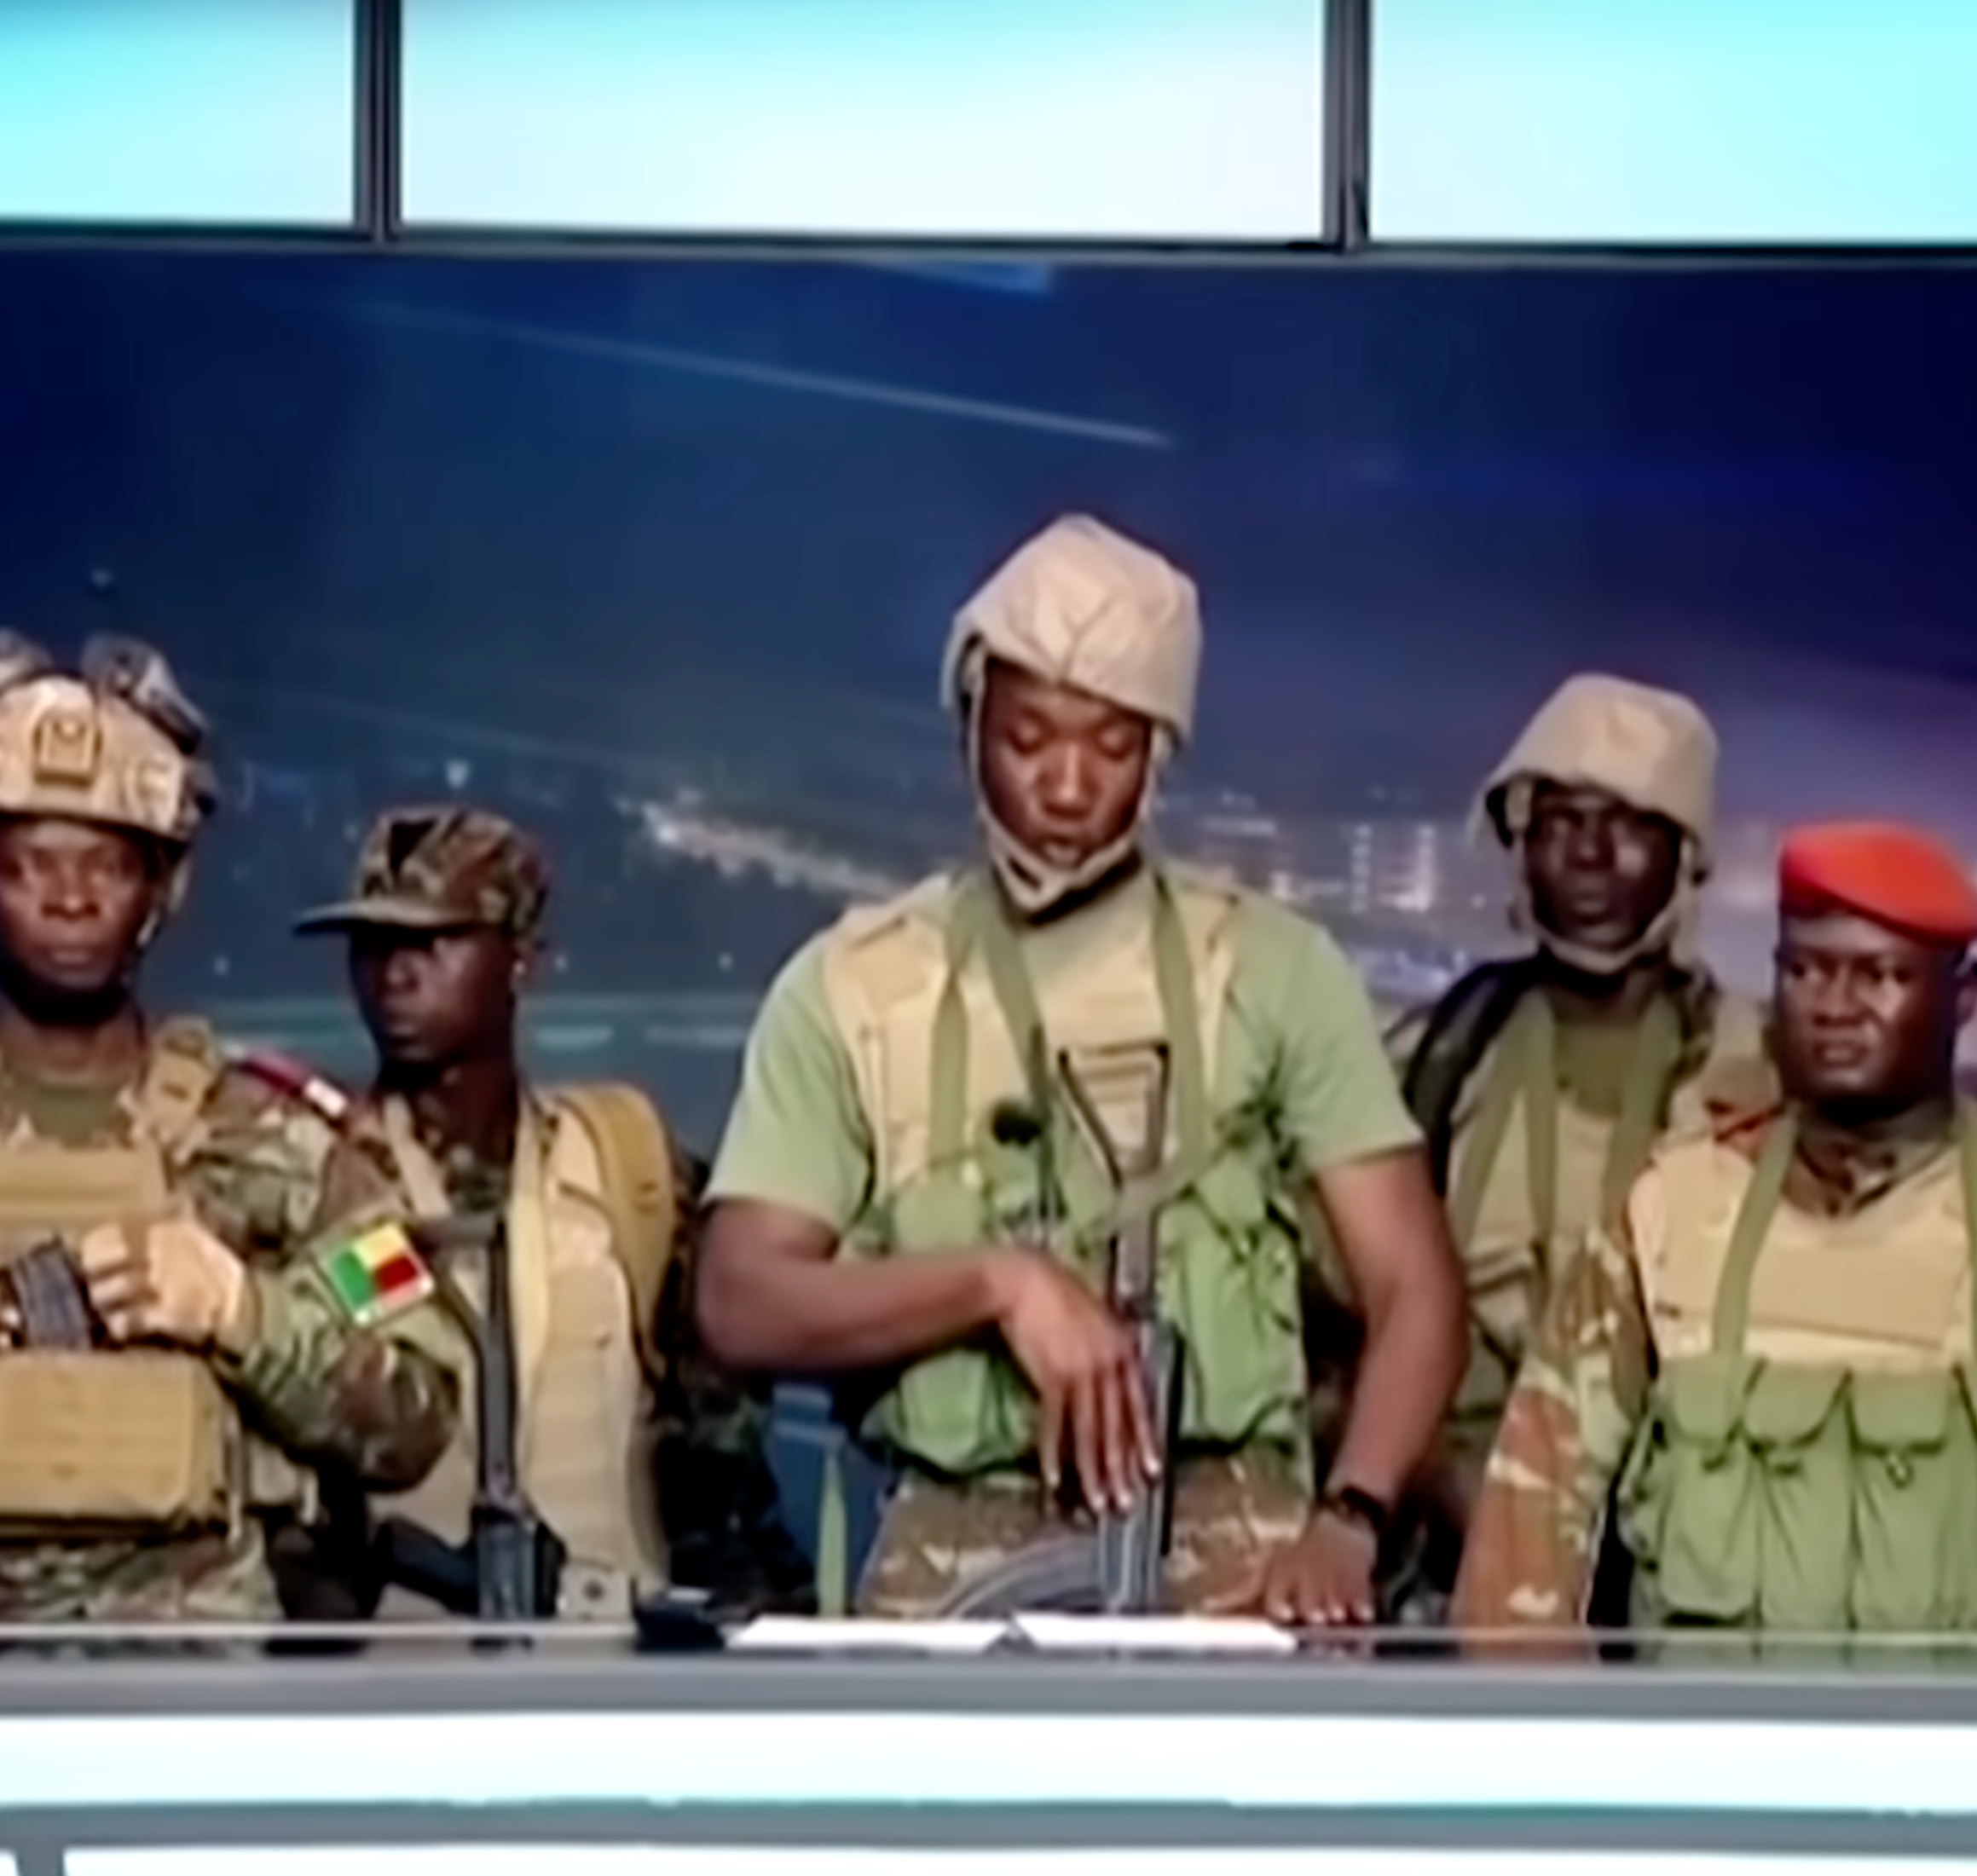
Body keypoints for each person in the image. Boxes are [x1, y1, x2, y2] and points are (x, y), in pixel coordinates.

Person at [699, 514, 1464, 1621]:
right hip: (950, 1538)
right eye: (1028, 739)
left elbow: (1415, 1288)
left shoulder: (1271, 970)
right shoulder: (852, 989)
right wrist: (996, 1283)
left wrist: (1350, 1519)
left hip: (1233, 1539)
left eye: (1110, 748)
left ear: (1158, 754)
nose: (1065, 787)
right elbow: (740, 1301)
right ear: (971, 726)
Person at [1451, 820, 1977, 1648]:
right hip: (1709, 1727)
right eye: (1805, 971)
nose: (1834, 1007)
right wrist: (1551, 1724)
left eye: (1880, 976)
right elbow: (1523, 1544)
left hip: (1973, 1732)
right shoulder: (1671, 1211)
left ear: (1964, 995)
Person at [0, 632, 463, 1623]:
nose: (71, 899)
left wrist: (242, 1312)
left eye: (108, 866)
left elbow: (418, 1410)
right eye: (30, 865)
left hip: (194, 1672)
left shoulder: (275, 1142)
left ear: (162, 890)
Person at [1311, 675, 1772, 1612]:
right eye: (1560, 823)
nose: (1590, 856)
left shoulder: (1762, 1073)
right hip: (1441, 1553)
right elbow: (1329, 1307)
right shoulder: (1440, 1056)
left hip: (1688, 1562)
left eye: (1628, 826)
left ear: (1683, 854)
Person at [294, 806, 811, 1619]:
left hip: (611, 1662)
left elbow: (720, 1463)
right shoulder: (311, 1180)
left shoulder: (626, 1170)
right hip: (394, 1668)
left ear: (522, 961)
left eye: (435, 941)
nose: (395, 973)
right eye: (373, 945)